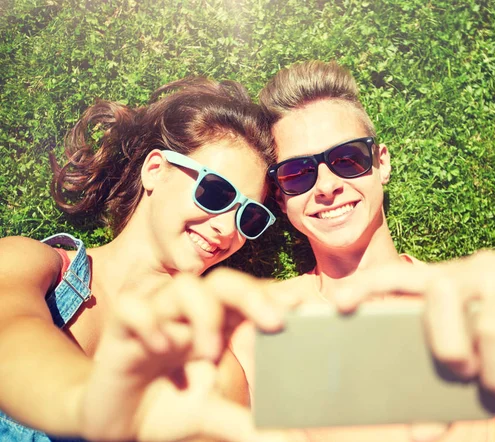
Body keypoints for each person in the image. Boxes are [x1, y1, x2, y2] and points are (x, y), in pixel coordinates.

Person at [230, 60, 495, 441]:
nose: (326, 185)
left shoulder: (471, 299)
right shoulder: (257, 325)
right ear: (280, 195)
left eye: (347, 159)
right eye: (297, 173)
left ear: (381, 162)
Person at [0, 76, 297, 442]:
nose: (226, 228)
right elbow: (10, 339)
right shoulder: (27, 262)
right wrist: (97, 403)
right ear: (155, 169)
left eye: (248, 215)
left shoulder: (216, 369)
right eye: (216, 192)